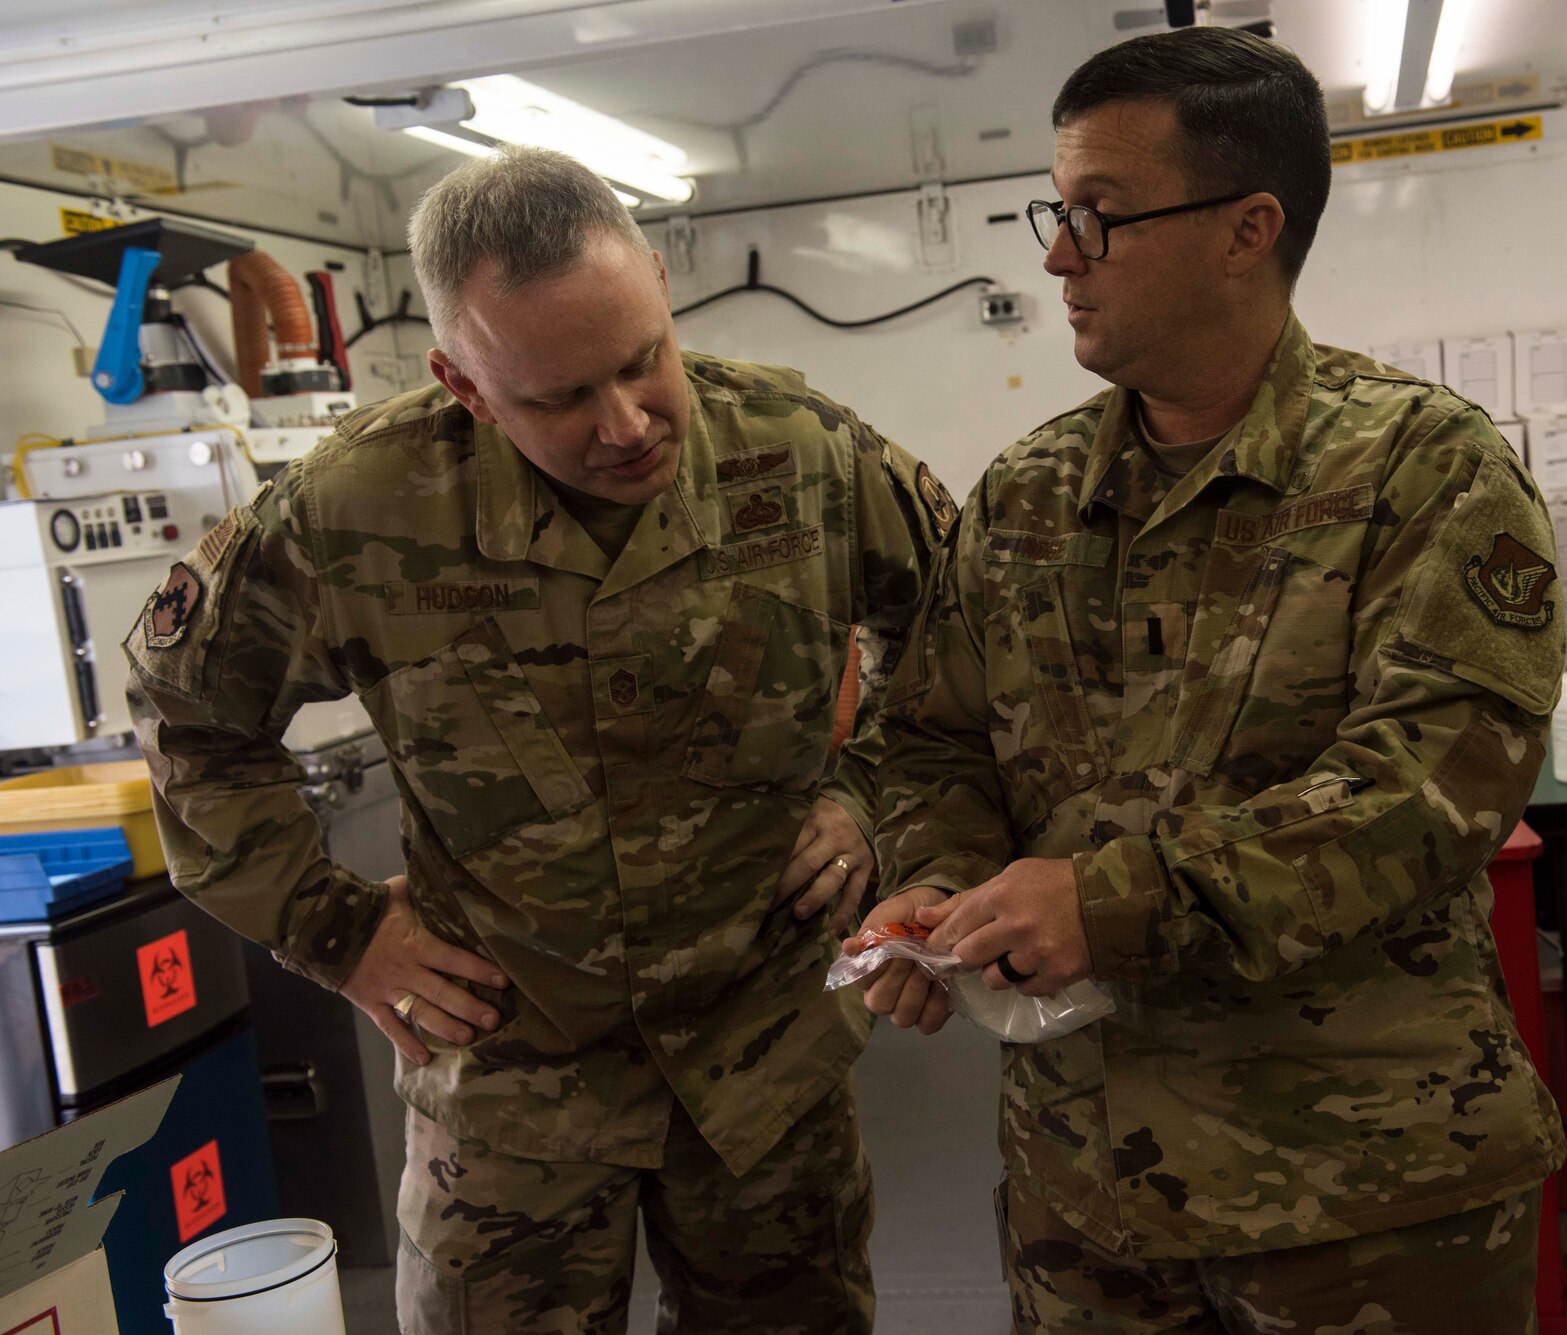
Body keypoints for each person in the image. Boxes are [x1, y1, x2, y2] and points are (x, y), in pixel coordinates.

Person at [127, 146, 951, 1333]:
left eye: (642, 363)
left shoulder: (802, 453)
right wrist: (337, 930)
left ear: (662, 289)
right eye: (561, 398)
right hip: (513, 1091)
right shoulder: (358, 508)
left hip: (763, 1062)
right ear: (463, 383)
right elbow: (185, 714)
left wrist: (872, 797)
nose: (625, 425)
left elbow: (962, 635)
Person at [854, 27, 1565, 1334]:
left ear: (1248, 229)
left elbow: (1430, 790)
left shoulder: (1425, 468)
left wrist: (1106, 903)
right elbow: (932, 739)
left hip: (1362, 1189)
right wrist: (940, 890)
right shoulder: (1022, 496)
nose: (1059, 256)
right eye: (1054, 213)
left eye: (1100, 218)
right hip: (1087, 1187)